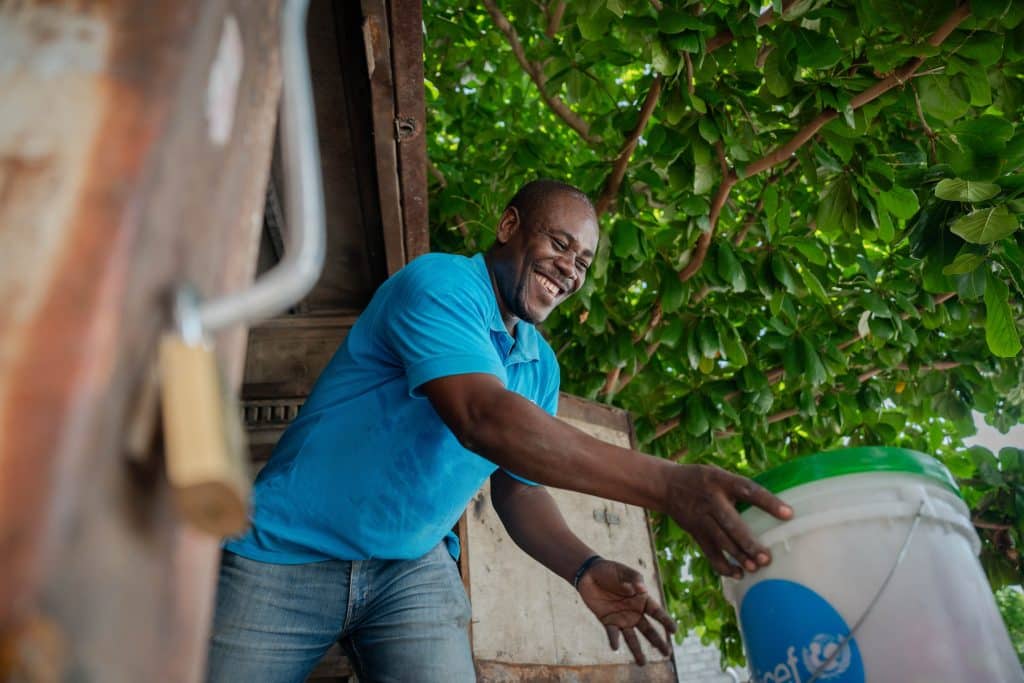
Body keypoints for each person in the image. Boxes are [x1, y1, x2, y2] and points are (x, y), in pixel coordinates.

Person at [206, 179, 792, 682]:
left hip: (409, 568)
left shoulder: (539, 364)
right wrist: (668, 486)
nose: (569, 269)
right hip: (285, 552)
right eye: (559, 243)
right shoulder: (441, 284)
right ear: (510, 225)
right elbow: (483, 420)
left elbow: (519, 487)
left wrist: (582, 567)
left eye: (583, 262)